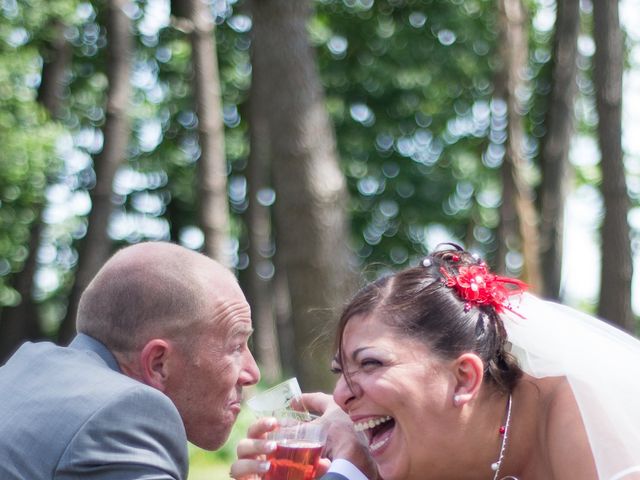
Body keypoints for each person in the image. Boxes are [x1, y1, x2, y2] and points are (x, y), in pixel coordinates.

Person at [233, 244, 640, 479]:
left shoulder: (581, 421)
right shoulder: (444, 451)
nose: (340, 395)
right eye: (341, 372)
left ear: (464, 378)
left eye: (371, 363)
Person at [0, 241, 260, 479]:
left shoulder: (25, 370)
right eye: (235, 347)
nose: (253, 373)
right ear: (159, 364)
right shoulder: (121, 415)